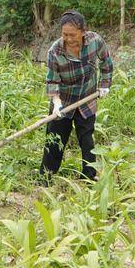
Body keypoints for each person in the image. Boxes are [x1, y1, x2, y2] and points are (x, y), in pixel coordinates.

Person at [41, 10, 114, 183]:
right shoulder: (55, 51)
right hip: (64, 101)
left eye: (72, 34)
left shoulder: (95, 41)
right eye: (65, 34)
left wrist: (104, 85)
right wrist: (56, 103)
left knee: (87, 139)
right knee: (55, 139)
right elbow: (52, 81)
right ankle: (46, 177)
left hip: (86, 98)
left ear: (83, 31)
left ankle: (89, 177)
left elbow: (106, 62)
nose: (69, 38)